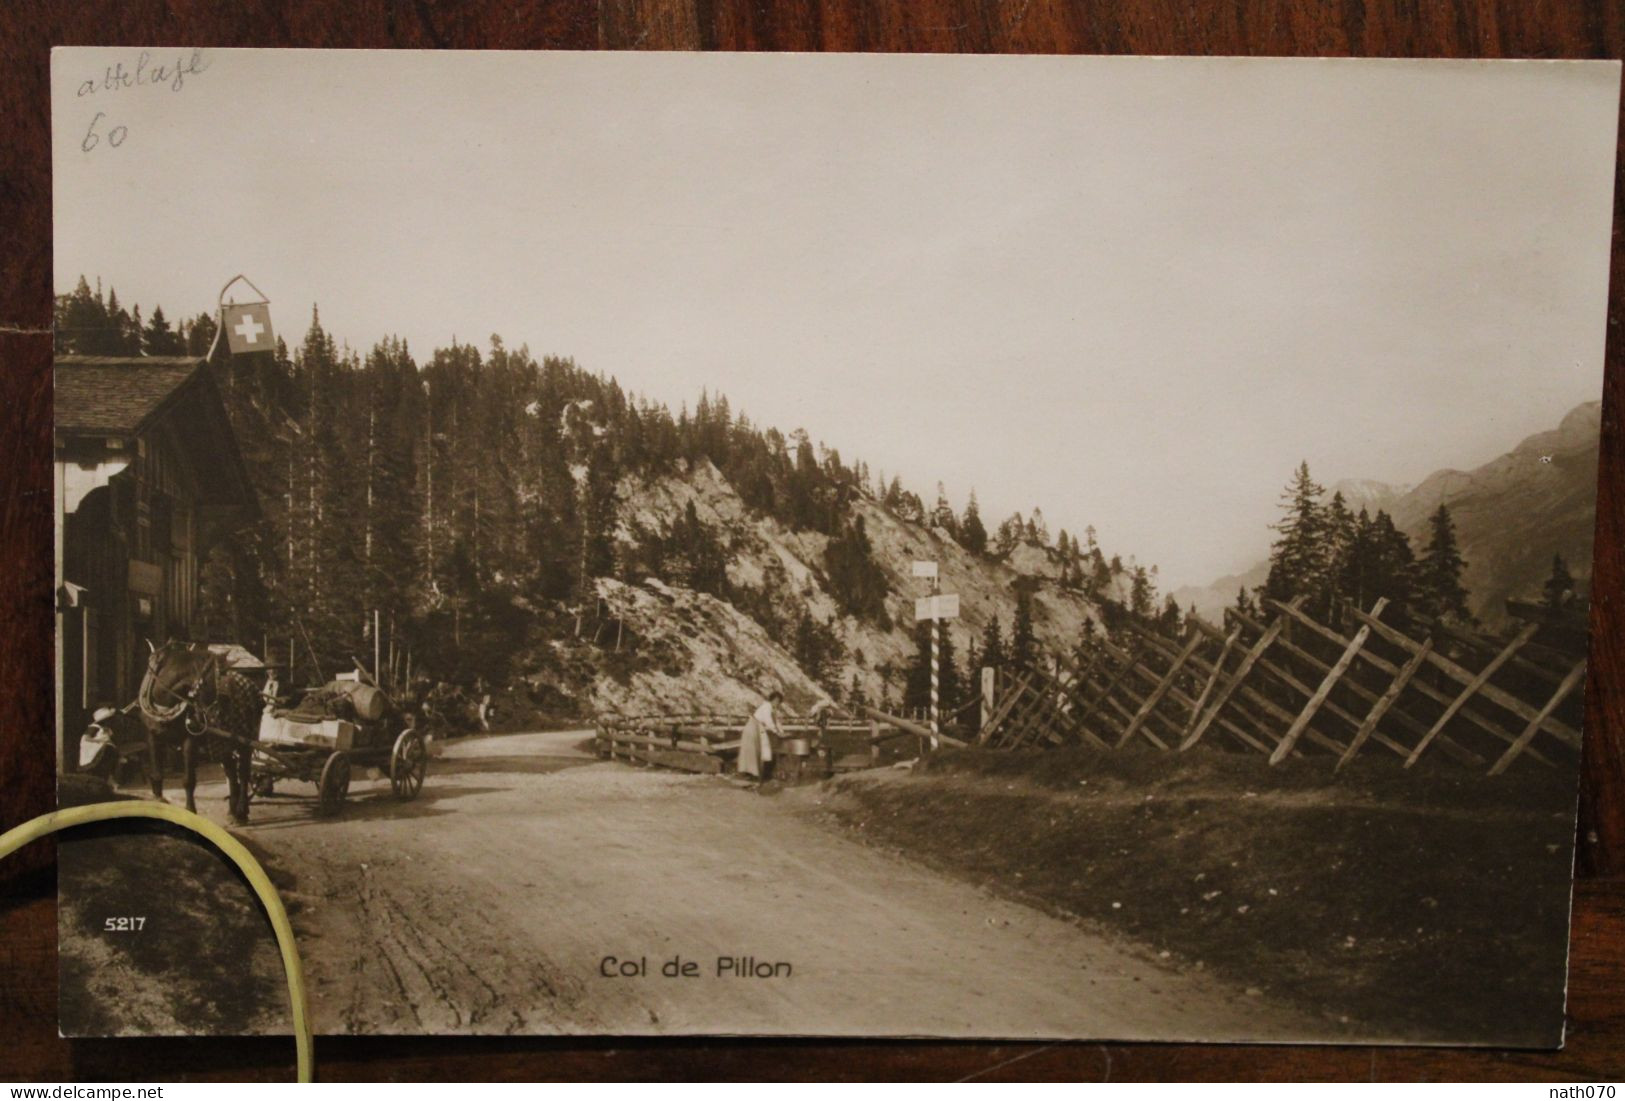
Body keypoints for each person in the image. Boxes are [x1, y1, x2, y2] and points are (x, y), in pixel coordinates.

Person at [737, 690, 783, 782]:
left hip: (757, 728)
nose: (778, 704)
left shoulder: (772, 709)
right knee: (752, 751)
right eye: (777, 701)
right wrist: (775, 732)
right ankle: (750, 775)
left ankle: (753, 774)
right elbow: (768, 721)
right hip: (752, 727)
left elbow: (776, 721)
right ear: (773, 700)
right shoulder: (767, 706)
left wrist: (781, 731)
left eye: (779, 702)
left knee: (756, 751)